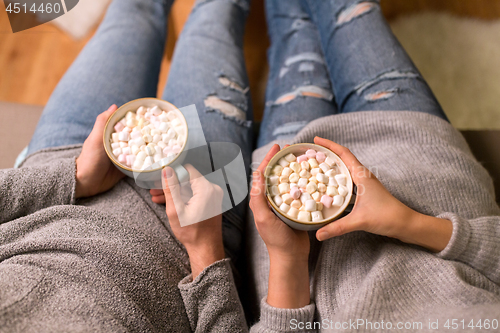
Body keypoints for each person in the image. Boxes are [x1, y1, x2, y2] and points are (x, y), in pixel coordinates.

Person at [0, 0, 499, 332]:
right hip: (192, 224)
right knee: (279, 26)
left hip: (64, 166)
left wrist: (71, 178)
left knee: (150, 13)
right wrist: (206, 252)